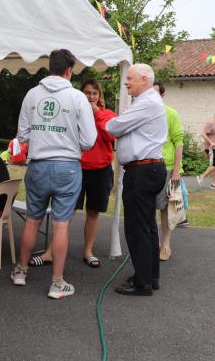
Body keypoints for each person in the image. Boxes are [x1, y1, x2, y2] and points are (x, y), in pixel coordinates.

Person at [11, 49, 97, 299]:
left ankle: (20, 271)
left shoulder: (31, 94)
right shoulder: (78, 97)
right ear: (69, 70)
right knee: (61, 225)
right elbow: (90, 140)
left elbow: (22, 135)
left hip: (37, 165)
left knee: (32, 220)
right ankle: (57, 284)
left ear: (50, 67)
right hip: (67, 167)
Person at [29, 79, 116, 269]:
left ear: (100, 96)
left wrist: (98, 114)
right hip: (76, 167)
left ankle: (88, 252)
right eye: (87, 93)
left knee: (93, 212)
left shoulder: (107, 114)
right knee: (66, 213)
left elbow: (111, 136)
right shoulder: (75, 112)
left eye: (94, 93)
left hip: (101, 170)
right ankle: (50, 253)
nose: (91, 97)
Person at [106, 64, 167, 296]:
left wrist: (105, 119)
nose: (126, 82)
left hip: (142, 171)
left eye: (130, 78)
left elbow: (115, 126)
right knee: (148, 226)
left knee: (137, 228)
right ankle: (150, 276)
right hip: (148, 169)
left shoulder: (147, 103)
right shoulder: (147, 102)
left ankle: (142, 283)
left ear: (144, 79)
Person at [153, 81, 186, 258]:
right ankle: (154, 243)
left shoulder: (170, 114)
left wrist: (175, 171)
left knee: (166, 209)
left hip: (167, 168)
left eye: (156, 93)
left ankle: (165, 244)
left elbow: (179, 142)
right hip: (149, 168)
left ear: (162, 96)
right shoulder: (145, 113)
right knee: (150, 208)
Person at [197, 113, 215, 189]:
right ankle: (202, 177)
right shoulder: (210, 123)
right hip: (211, 148)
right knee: (214, 165)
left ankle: (213, 184)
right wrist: (211, 143)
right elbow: (203, 134)